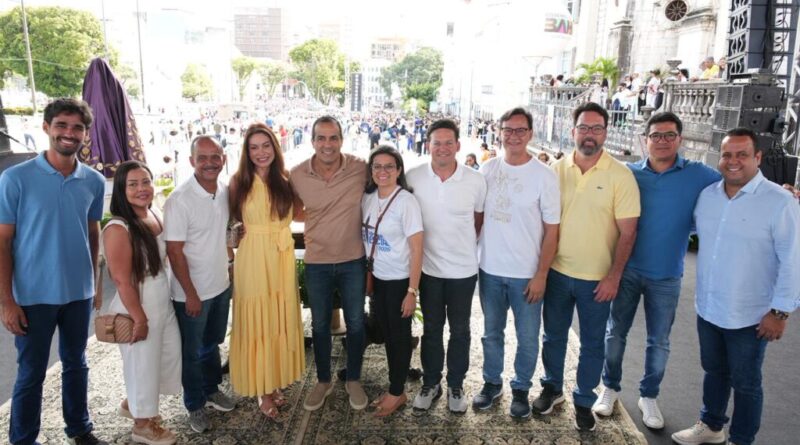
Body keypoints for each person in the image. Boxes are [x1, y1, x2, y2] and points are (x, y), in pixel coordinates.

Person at [671, 128, 800, 445]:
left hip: (752, 314)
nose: (733, 161)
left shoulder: (780, 202)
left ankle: (741, 439)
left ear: (757, 157)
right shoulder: (709, 196)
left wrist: (780, 312)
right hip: (710, 307)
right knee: (714, 371)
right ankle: (712, 425)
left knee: (746, 383)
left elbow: (793, 261)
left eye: (742, 154)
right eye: (727, 154)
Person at [592, 112, 721, 429]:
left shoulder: (699, 175)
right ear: (645, 139)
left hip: (667, 275)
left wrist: (781, 190)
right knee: (615, 333)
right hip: (626, 270)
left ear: (680, 139)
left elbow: (735, 181)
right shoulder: (628, 173)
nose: (662, 141)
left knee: (659, 341)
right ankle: (609, 387)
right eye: (656, 135)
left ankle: (649, 396)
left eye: (669, 135)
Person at [0, 98, 107, 445]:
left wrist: (94, 283)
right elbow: (3, 243)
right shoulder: (15, 179)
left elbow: (93, 234)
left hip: (78, 293)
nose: (69, 133)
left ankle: (79, 428)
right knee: (31, 374)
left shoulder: (93, 180)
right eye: (61, 125)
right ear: (46, 128)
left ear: (85, 134)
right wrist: (6, 301)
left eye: (77, 127)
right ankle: (22, 440)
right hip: (32, 296)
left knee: (76, 364)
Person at [532, 102, 640, 432]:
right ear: (572, 130)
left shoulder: (621, 175)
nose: (589, 134)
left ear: (606, 133)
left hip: (597, 280)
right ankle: (552, 389)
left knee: (593, 344)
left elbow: (629, 231)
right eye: (583, 128)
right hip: (559, 274)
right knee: (553, 337)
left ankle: (583, 399)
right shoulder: (556, 170)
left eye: (596, 128)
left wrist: (614, 276)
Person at [472, 108, 560, 419]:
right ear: (499, 132)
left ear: (531, 134)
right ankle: (492, 383)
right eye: (508, 129)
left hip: (526, 274)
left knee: (527, 336)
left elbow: (552, 230)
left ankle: (521, 388)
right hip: (491, 270)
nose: (514, 135)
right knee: (491, 332)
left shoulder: (544, 176)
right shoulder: (487, 170)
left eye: (521, 130)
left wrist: (541, 274)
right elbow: (477, 219)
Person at [406, 119, 487, 414]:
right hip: (428, 271)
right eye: (436, 142)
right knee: (431, 330)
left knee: (461, 331)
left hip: (463, 272)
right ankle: (431, 382)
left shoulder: (475, 180)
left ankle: (455, 384)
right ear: (428, 144)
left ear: (457, 145)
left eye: (448, 142)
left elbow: (478, 222)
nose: (442, 148)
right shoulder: (413, 176)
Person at [290, 116, 369, 412]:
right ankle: (323, 381)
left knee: (357, 321)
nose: (327, 144)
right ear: (312, 142)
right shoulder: (297, 174)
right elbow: (293, 211)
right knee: (320, 324)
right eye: (321, 138)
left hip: (353, 260)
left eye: (333, 138)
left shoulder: (360, 167)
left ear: (341, 140)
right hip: (317, 262)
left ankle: (354, 379)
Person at [228, 123, 305, 418]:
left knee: (277, 318)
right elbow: (229, 221)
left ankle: (272, 381)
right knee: (257, 320)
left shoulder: (286, 179)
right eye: (254, 147)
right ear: (246, 152)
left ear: (275, 147)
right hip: (253, 257)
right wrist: (231, 243)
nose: (261, 152)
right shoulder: (238, 181)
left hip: (281, 256)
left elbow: (300, 212)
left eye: (266, 145)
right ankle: (262, 389)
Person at [103, 161, 181, 445]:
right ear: (121, 191)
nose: (141, 189)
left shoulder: (154, 213)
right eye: (133, 184)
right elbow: (122, 280)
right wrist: (139, 318)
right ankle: (142, 426)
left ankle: (133, 404)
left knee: (165, 358)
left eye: (145, 182)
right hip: (138, 303)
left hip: (162, 298)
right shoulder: (118, 227)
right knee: (142, 364)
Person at [163, 136, 235, 433]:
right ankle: (194, 404)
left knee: (213, 343)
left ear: (223, 159)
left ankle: (211, 389)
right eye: (202, 157)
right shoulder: (179, 200)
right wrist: (190, 294)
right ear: (191, 161)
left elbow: (223, 231)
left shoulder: (224, 190)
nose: (209, 162)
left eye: (215, 156)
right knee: (191, 352)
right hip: (191, 294)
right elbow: (174, 251)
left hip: (220, 284)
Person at [361, 146, 423, 417]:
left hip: (399, 281)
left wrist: (412, 291)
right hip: (379, 279)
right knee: (388, 335)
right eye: (377, 166)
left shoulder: (406, 202)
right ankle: (394, 387)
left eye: (389, 166)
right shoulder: (369, 197)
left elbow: (417, 249)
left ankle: (397, 392)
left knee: (398, 338)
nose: (382, 171)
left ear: (399, 170)